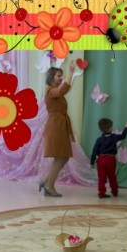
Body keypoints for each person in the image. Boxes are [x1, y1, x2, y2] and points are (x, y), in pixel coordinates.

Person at [40, 62, 78, 197]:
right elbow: (62, 90)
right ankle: (49, 185)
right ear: (51, 77)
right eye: (58, 76)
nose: (61, 78)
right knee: (61, 157)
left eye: (62, 76)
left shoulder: (54, 92)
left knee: (63, 157)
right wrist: (71, 72)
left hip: (59, 126)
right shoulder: (50, 91)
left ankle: (47, 182)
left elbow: (62, 91)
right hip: (56, 127)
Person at [90, 118, 127, 198]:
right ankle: (115, 192)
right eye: (112, 126)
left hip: (101, 159)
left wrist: (92, 162)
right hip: (111, 159)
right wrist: (126, 128)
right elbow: (123, 136)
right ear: (110, 128)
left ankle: (101, 193)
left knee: (101, 177)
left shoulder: (99, 139)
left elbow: (94, 151)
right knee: (112, 176)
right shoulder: (114, 137)